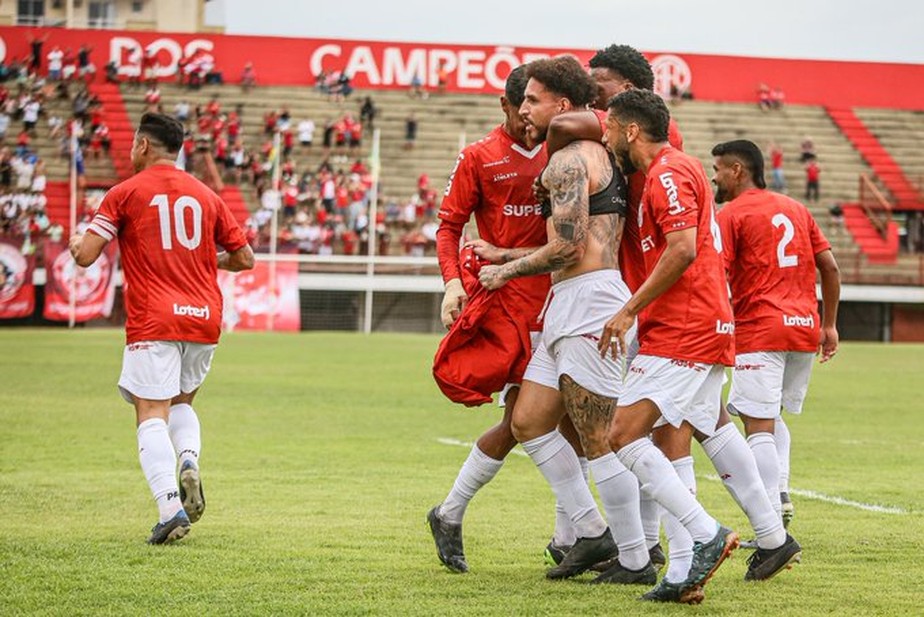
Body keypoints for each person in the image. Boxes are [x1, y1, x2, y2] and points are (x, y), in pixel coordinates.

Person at [479, 56, 655, 586]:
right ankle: (591, 530)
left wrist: (503, 269)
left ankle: (635, 559)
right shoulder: (596, 155)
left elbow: (570, 246)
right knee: (529, 421)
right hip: (572, 302)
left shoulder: (570, 159)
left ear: (562, 104)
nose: (522, 109)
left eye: (531, 99)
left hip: (590, 304)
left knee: (598, 438)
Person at [67, 113, 255, 544]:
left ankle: (170, 507)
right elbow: (245, 259)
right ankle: (188, 458)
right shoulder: (206, 196)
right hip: (204, 318)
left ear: (143, 146)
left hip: (154, 318)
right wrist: (210, 261)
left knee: (151, 413)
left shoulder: (125, 193)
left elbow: (86, 256)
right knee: (182, 404)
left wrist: (78, 241)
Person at [599, 89, 737, 603]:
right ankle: (683, 574)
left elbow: (682, 248)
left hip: (686, 326)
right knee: (668, 443)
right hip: (697, 326)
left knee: (622, 433)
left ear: (630, 130)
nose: (606, 135)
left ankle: (706, 534)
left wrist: (629, 309)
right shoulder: (675, 169)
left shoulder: (668, 173)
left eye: (610, 127)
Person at [427, 66, 555, 573]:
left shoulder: (562, 150)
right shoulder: (480, 156)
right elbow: (448, 226)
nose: (529, 122)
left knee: (534, 420)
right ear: (507, 107)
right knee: (529, 417)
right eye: (520, 110)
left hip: (557, 295)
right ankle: (581, 532)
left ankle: (451, 511)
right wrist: (452, 282)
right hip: (506, 302)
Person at [713, 138, 840, 556]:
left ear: (737, 171)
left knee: (757, 425)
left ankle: (770, 522)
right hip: (804, 327)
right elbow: (830, 267)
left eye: (718, 168)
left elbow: (720, 274)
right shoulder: (796, 208)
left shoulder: (731, 213)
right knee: (769, 415)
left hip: (759, 328)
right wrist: (831, 325)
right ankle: (781, 492)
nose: (714, 176)